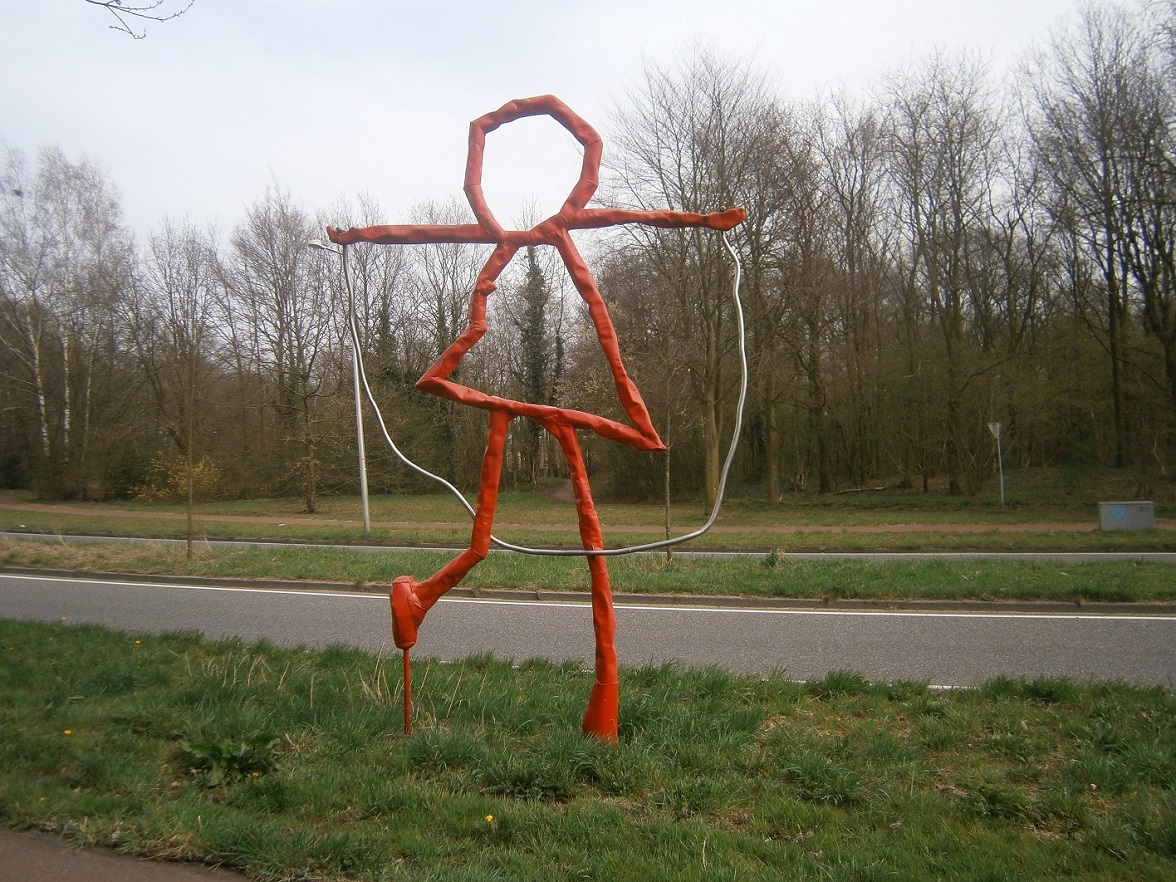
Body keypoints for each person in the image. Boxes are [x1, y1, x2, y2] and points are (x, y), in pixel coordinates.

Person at [328, 95, 744, 739]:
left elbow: (642, 213)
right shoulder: (508, 233)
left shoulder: (566, 222)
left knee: (568, 538)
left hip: (556, 407)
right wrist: (359, 237)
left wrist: (707, 221)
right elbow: (418, 231)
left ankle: (597, 699)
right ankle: (423, 602)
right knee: (505, 539)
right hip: (511, 401)